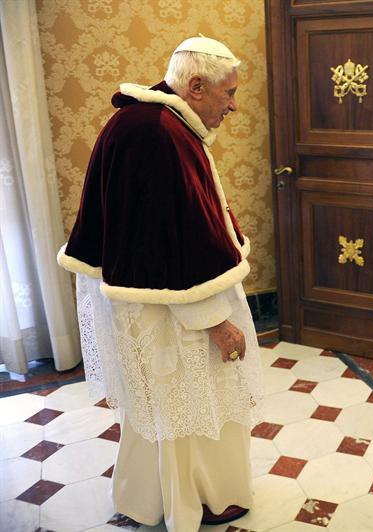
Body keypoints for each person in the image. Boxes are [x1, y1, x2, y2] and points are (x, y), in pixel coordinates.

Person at [57, 36, 266, 531]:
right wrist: (216, 322)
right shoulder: (157, 134)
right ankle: (193, 500)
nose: (233, 106)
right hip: (168, 312)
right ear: (196, 86)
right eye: (228, 93)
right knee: (184, 409)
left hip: (151, 302)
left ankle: (147, 497)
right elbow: (173, 248)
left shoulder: (152, 121)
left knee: (163, 409)